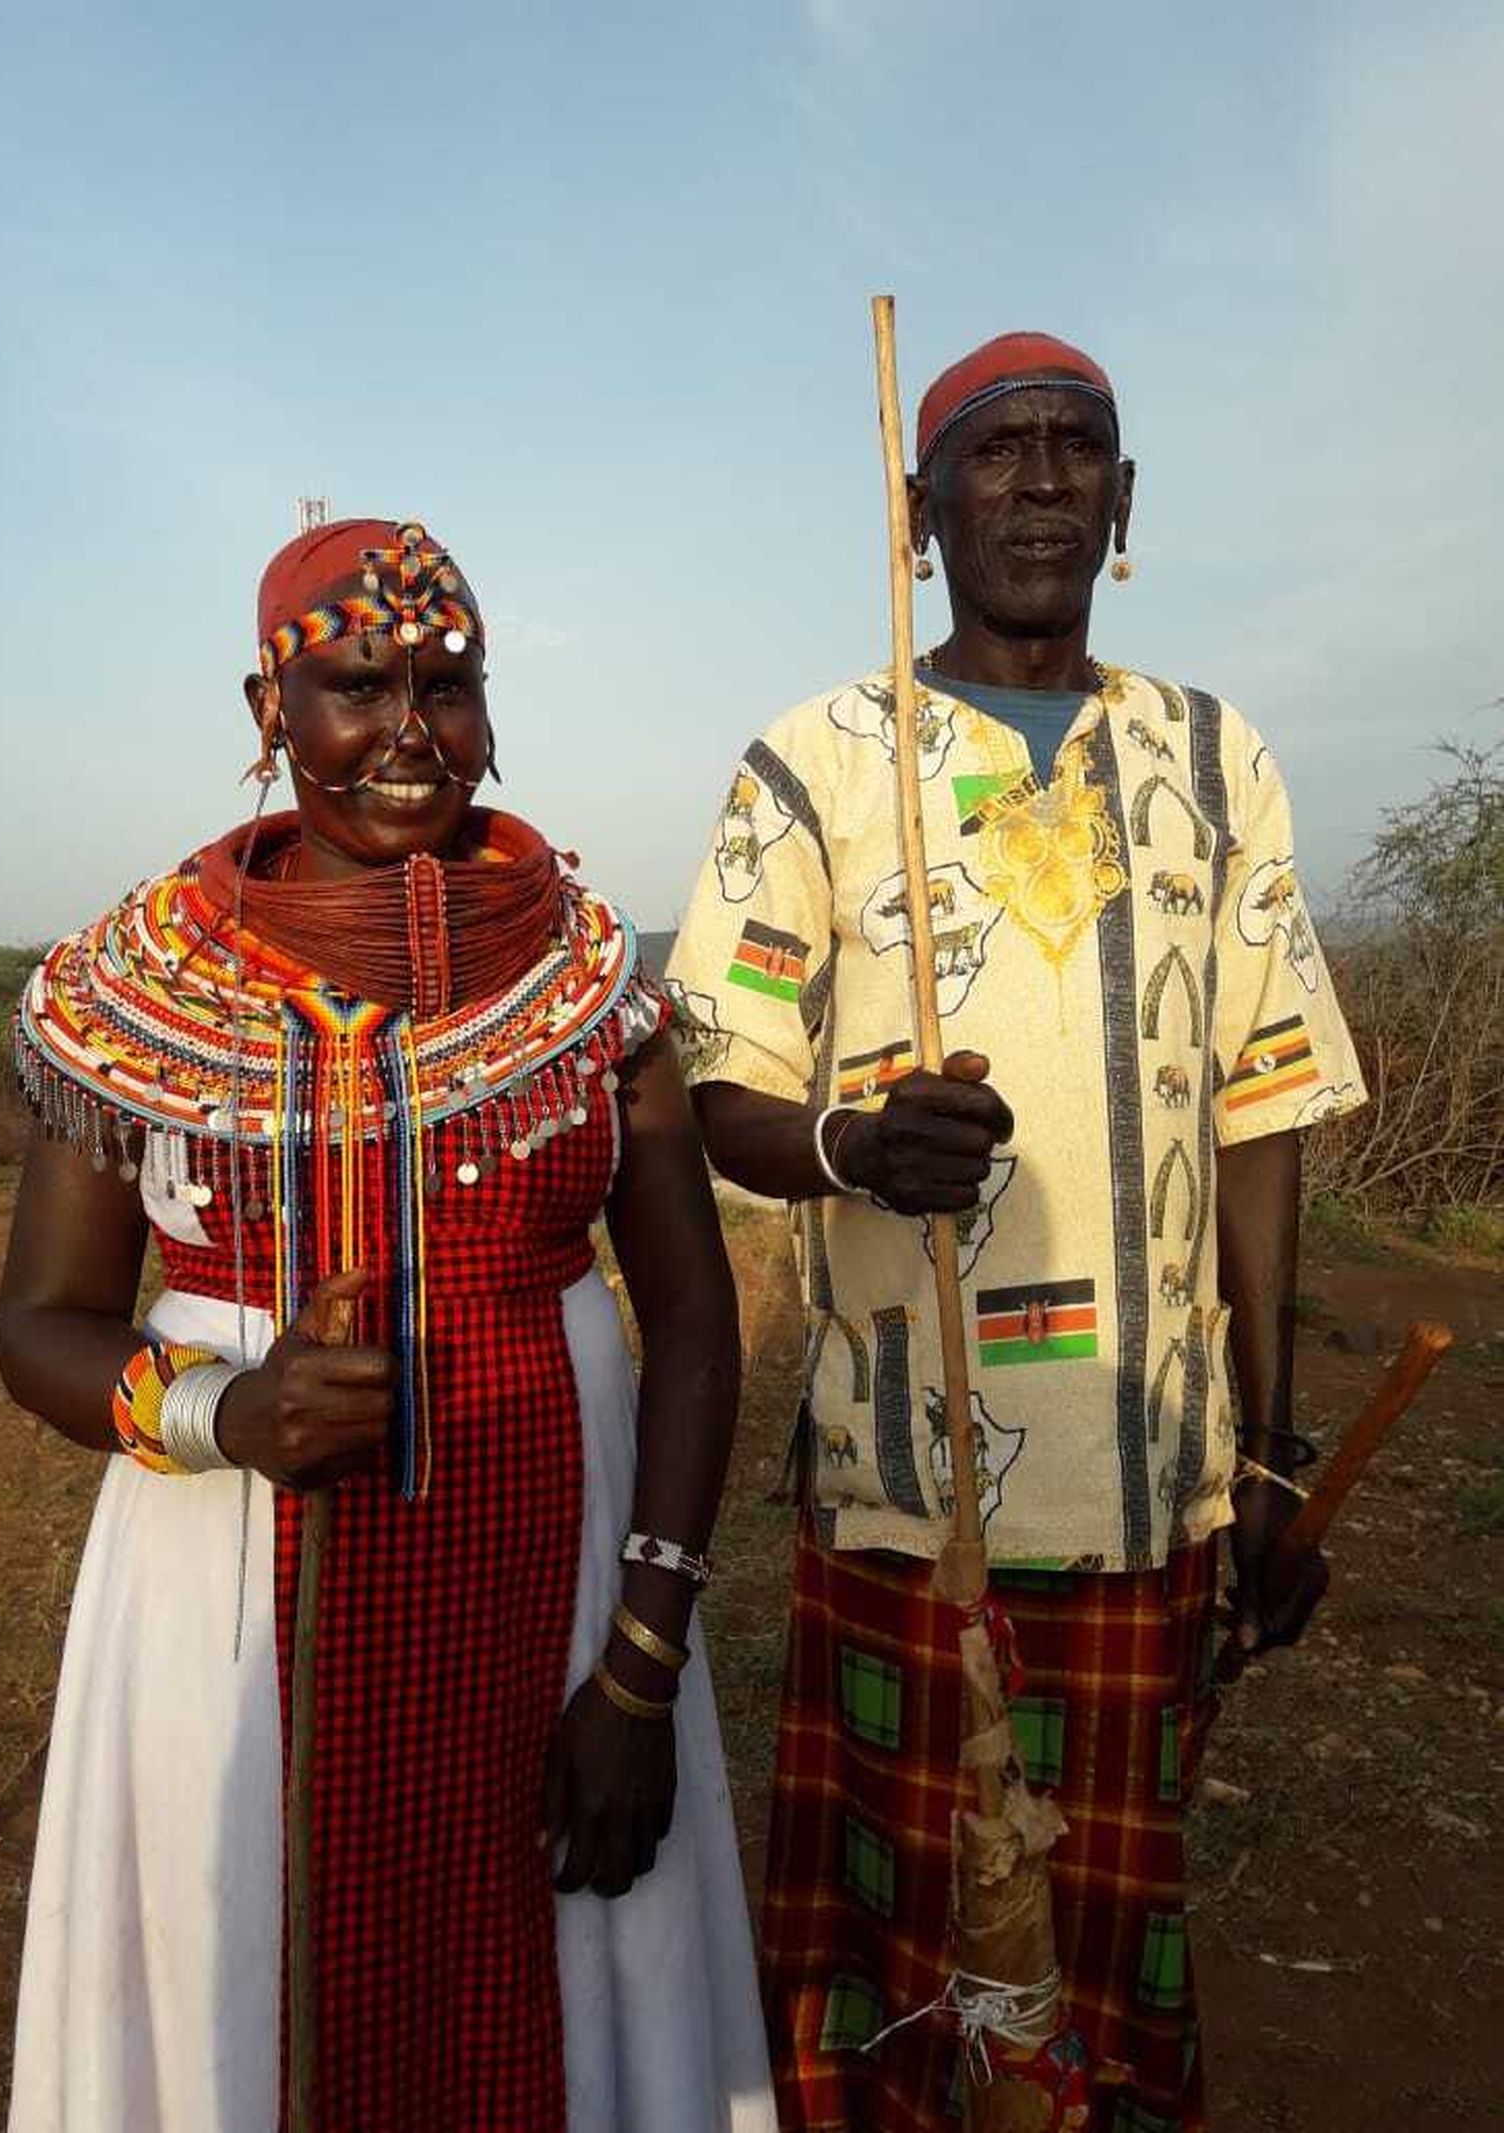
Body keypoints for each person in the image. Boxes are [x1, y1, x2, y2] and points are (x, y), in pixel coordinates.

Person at [0, 517, 775, 2133]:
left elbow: (694, 1319)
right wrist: (229, 1413)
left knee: (555, 1990)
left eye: (451, 684)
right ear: (271, 703)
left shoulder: (584, 974)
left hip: (559, 1606)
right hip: (223, 1606)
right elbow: (40, 1326)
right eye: (360, 683)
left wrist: (639, 1669)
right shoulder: (134, 987)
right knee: (253, 1986)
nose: (412, 733)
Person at [666, 334, 1367, 2131]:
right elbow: (705, 1084)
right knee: (899, 1985)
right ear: (921, 514)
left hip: (1149, 1484)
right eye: (997, 454)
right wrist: (853, 1142)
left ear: (1123, 507)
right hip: (912, 1496)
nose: (1042, 481)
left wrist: (1269, 1455)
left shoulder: (1216, 759)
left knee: (1104, 1975)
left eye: (1079, 452)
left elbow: (1264, 1111)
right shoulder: (818, 765)